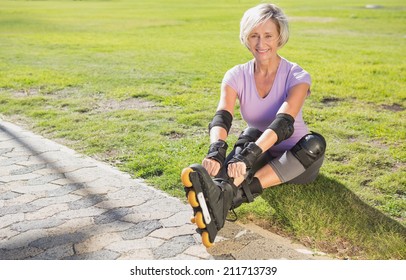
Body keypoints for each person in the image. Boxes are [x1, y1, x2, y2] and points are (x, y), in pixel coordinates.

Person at [181, 3, 326, 248]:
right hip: (262, 150)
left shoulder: (297, 75)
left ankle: (231, 196)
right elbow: (223, 115)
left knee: (315, 142)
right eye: (254, 36)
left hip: (298, 159)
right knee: (250, 132)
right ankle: (219, 197)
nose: (261, 43)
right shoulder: (236, 75)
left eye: (268, 35)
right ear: (245, 38)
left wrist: (249, 156)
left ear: (280, 37)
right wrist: (216, 149)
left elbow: (283, 123)